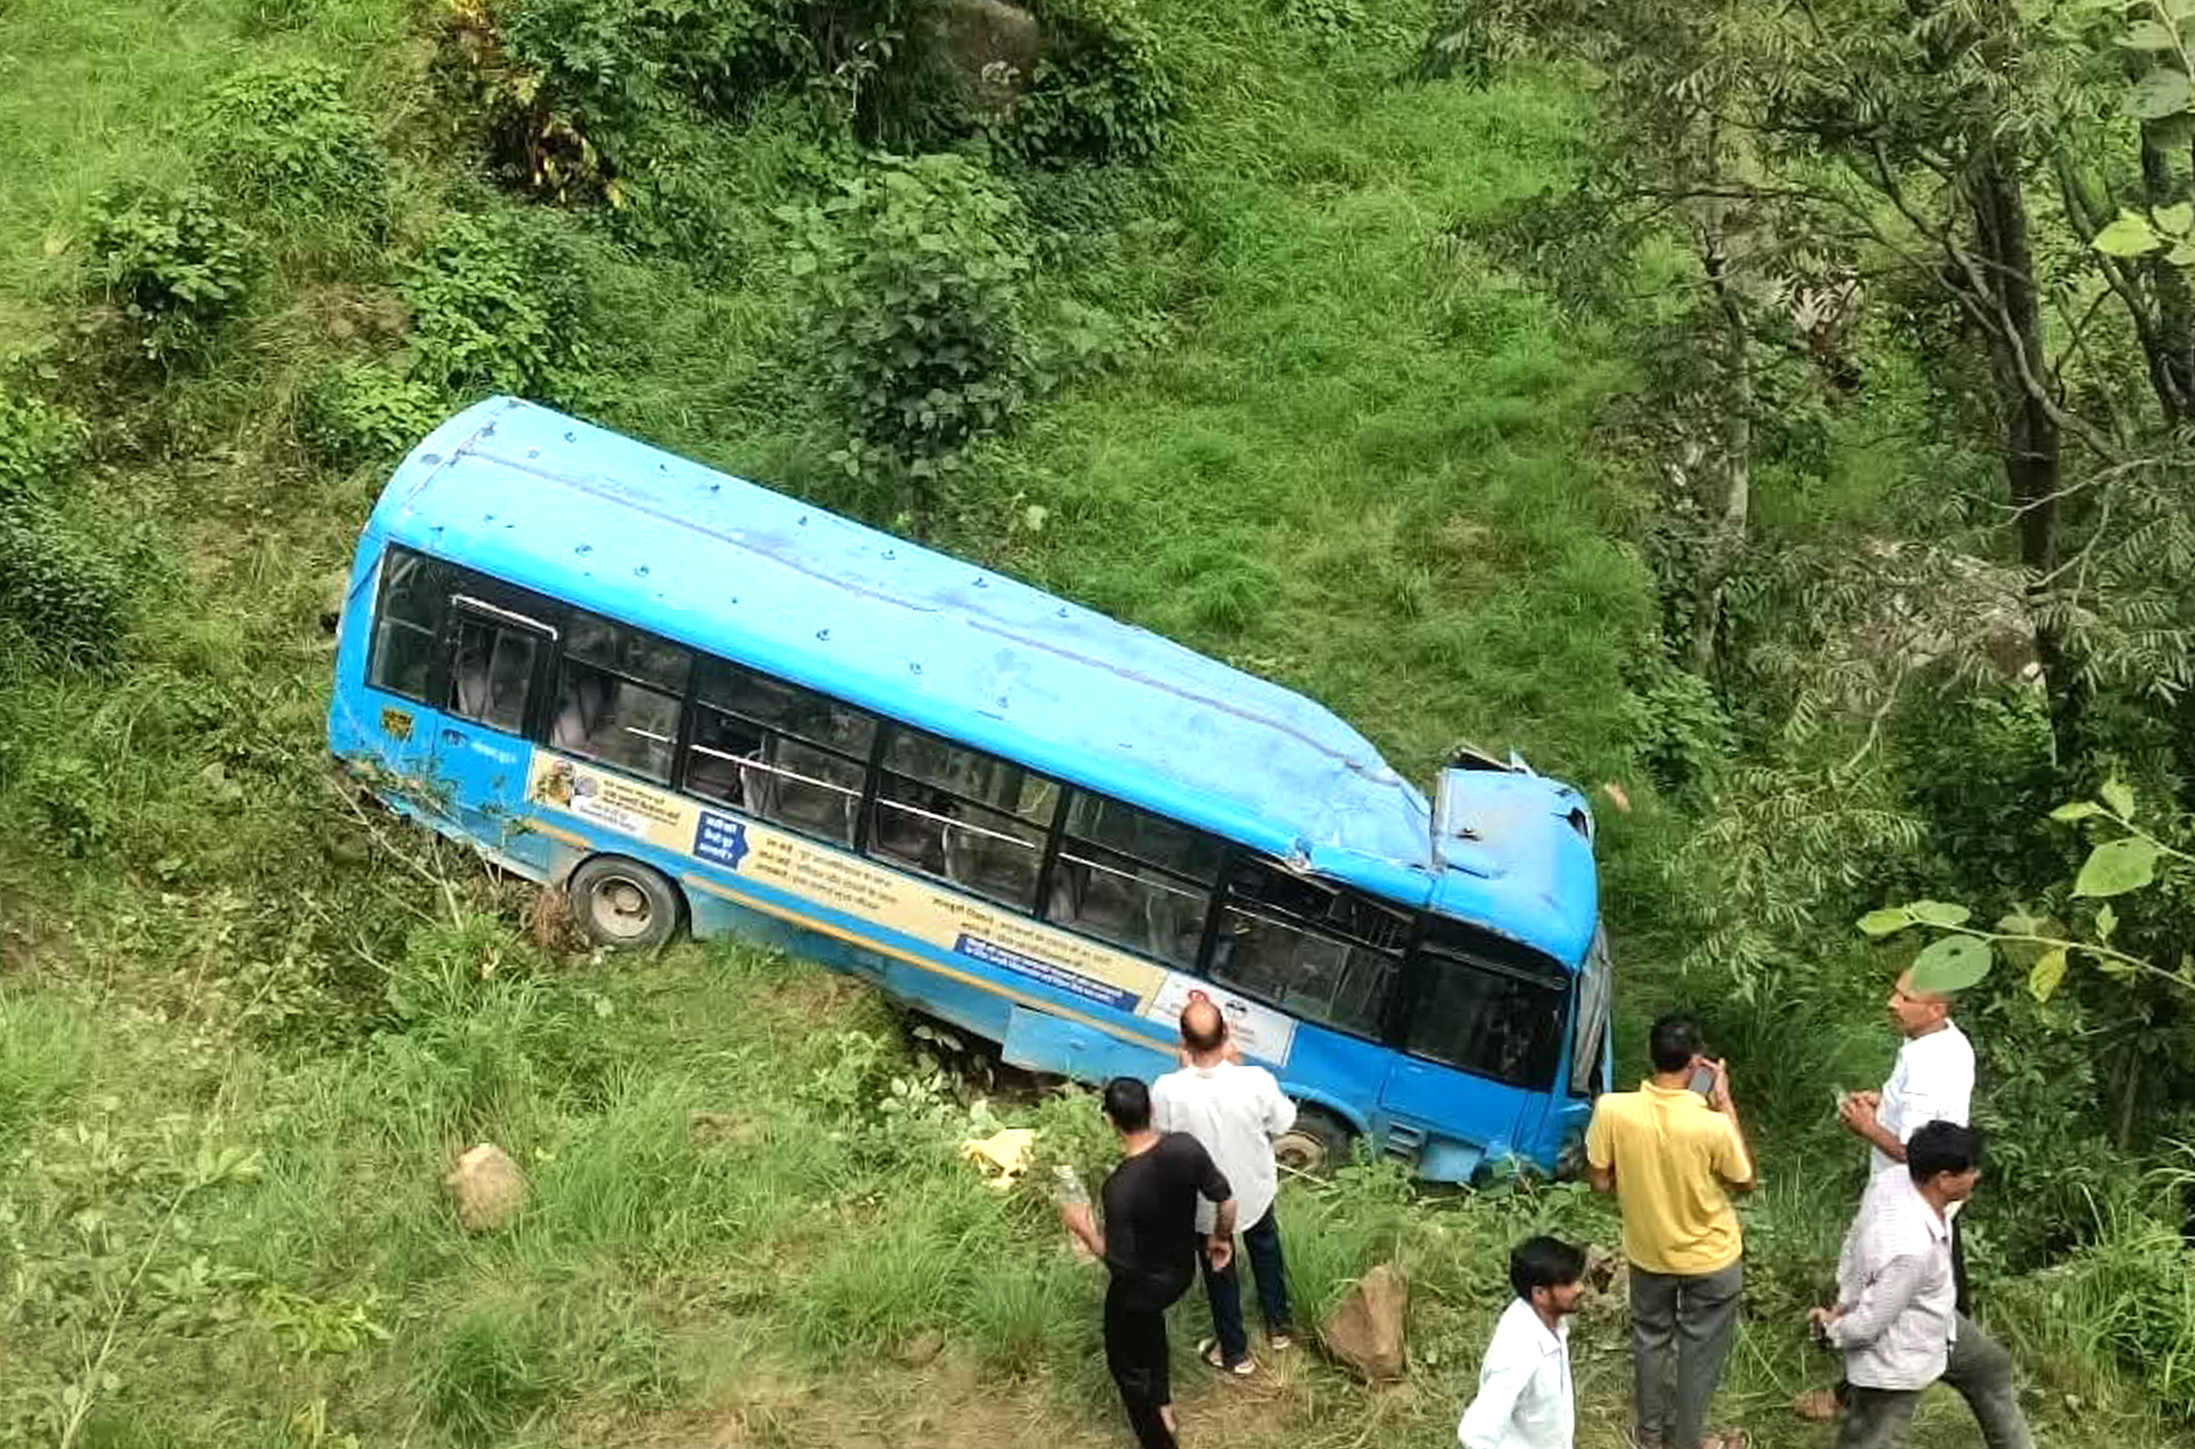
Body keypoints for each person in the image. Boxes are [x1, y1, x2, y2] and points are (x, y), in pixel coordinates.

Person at [1800, 966, 1980, 1423]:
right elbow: (1931, 1115)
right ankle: (1964, 1364)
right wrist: (1887, 1103)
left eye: (1905, 998)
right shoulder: (1949, 1041)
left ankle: (1854, 1395)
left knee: (1881, 1295)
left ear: (1936, 1008)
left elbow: (1915, 1154)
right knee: (1945, 1287)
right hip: (1937, 1198)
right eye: (1895, 993)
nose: (1892, 1003)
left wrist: (1867, 1127)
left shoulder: (1926, 1062)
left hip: (1909, 1199)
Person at [1584, 1014, 1755, 1449]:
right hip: (1712, 1259)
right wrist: (1724, 1101)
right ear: (1697, 1062)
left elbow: (1599, 1181)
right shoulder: (1712, 1124)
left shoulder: (1612, 1109)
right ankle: (1687, 1440)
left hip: (1649, 1251)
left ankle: (1648, 1435)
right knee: (1699, 1353)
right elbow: (1745, 1181)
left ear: (1652, 1054)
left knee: (1650, 1339)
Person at [1808, 1121, 2032, 1449]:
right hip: (1897, 1359)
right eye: (1971, 1170)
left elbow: (1857, 1242)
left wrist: (1842, 1302)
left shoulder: (1894, 1179)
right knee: (1874, 1440)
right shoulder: (1912, 1249)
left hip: (1938, 1323)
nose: (1977, 1175)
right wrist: (1834, 1328)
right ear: (1943, 1178)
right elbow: (1868, 1325)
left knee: (1990, 1367)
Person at [1059, 1076, 1239, 1449]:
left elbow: (1120, 1266)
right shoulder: (1184, 1146)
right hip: (1181, 1272)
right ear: (1151, 1109)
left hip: (1142, 1287)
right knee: (1149, 1326)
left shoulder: (1120, 1188)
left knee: (1126, 1366)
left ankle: (1159, 1440)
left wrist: (1084, 1230)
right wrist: (1221, 1238)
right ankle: (1164, 1404)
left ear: (1109, 1120)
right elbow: (1227, 1200)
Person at [1150, 994, 1299, 1376]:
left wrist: (1183, 1072)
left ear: (1183, 1042)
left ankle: (1235, 1353)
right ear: (1228, 1033)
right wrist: (1239, 1067)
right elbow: (1284, 1122)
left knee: (1219, 1267)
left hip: (1205, 1204)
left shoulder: (1167, 1088)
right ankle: (1279, 1327)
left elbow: (1160, 1138)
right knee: (1266, 1247)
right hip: (1253, 1190)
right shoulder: (1256, 1080)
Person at [1456, 1236, 1586, 1449]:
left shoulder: (1549, 1319)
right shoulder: (1518, 1355)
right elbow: (1475, 1434)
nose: (1580, 1288)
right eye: (1568, 1283)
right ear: (1540, 1293)